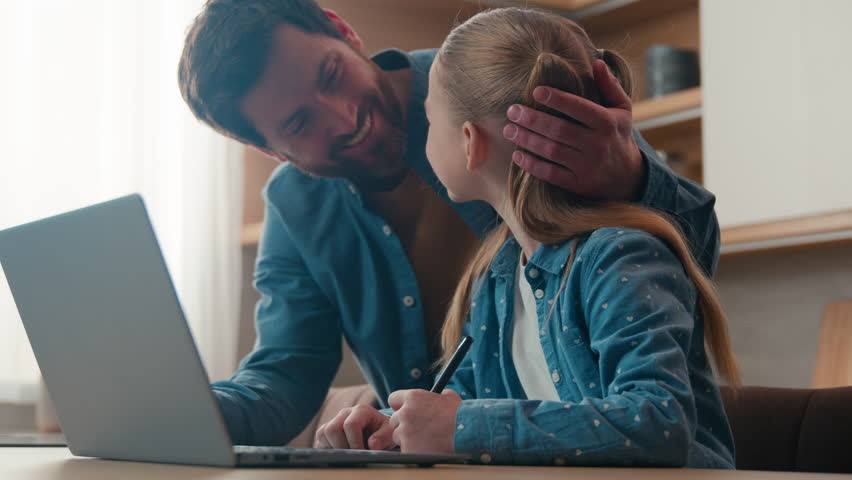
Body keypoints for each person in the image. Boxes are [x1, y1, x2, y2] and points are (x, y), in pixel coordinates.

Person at [177, 0, 721, 448]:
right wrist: (174, 413)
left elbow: (679, 268)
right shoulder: (493, 277)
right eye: (299, 122)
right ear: (265, 148)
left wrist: (630, 178)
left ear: (342, 30)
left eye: (331, 74)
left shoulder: (497, 88)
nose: (345, 118)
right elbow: (286, 374)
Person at [323, 8, 739, 468]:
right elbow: (471, 400)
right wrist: (388, 427)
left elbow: (658, 422)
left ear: (468, 141)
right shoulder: (495, 279)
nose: (422, 141)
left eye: (427, 120)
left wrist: (458, 428)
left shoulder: (617, 255)